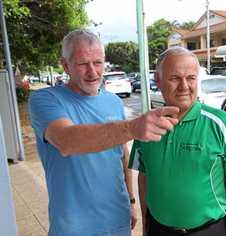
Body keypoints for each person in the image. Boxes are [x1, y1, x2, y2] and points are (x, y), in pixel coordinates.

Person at [28, 29, 179, 236]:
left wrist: (131, 201)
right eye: (83, 64)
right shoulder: (45, 100)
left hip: (118, 219)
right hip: (74, 228)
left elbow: (122, 155)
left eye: (97, 63)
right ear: (65, 65)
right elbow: (65, 140)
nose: (92, 72)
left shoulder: (113, 102)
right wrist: (132, 127)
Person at [129, 47, 226, 236]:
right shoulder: (145, 126)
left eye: (191, 78)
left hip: (208, 231)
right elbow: (144, 177)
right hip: (158, 230)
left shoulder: (221, 124)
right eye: (175, 78)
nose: (184, 86)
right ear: (158, 80)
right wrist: (146, 224)